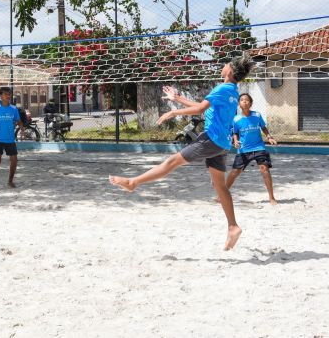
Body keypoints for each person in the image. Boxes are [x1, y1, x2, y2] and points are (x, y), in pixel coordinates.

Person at [109, 54, 255, 251]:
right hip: (221, 144)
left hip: (211, 140)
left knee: (171, 162)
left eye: (225, 64)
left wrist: (173, 111)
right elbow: (202, 108)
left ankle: (133, 183)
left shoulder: (222, 88)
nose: (223, 66)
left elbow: (199, 110)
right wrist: (177, 98)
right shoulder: (232, 91)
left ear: (229, 71)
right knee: (220, 186)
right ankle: (233, 226)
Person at [225, 93, 278, 205]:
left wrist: (269, 137)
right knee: (235, 172)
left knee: (264, 170)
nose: (244, 101)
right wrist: (235, 141)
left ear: (251, 103)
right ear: (239, 104)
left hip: (259, 147)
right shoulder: (236, 119)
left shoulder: (257, 116)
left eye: (247, 100)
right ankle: (222, 195)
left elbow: (263, 127)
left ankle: (271, 197)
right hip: (244, 149)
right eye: (242, 100)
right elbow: (235, 133)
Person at [0, 86, 22, 190]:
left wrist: (22, 127)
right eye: (6, 94)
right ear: (1, 96)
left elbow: (18, 120)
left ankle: (10, 181)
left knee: (14, 160)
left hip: (10, 139)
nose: (8, 96)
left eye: (9, 94)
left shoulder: (14, 109)